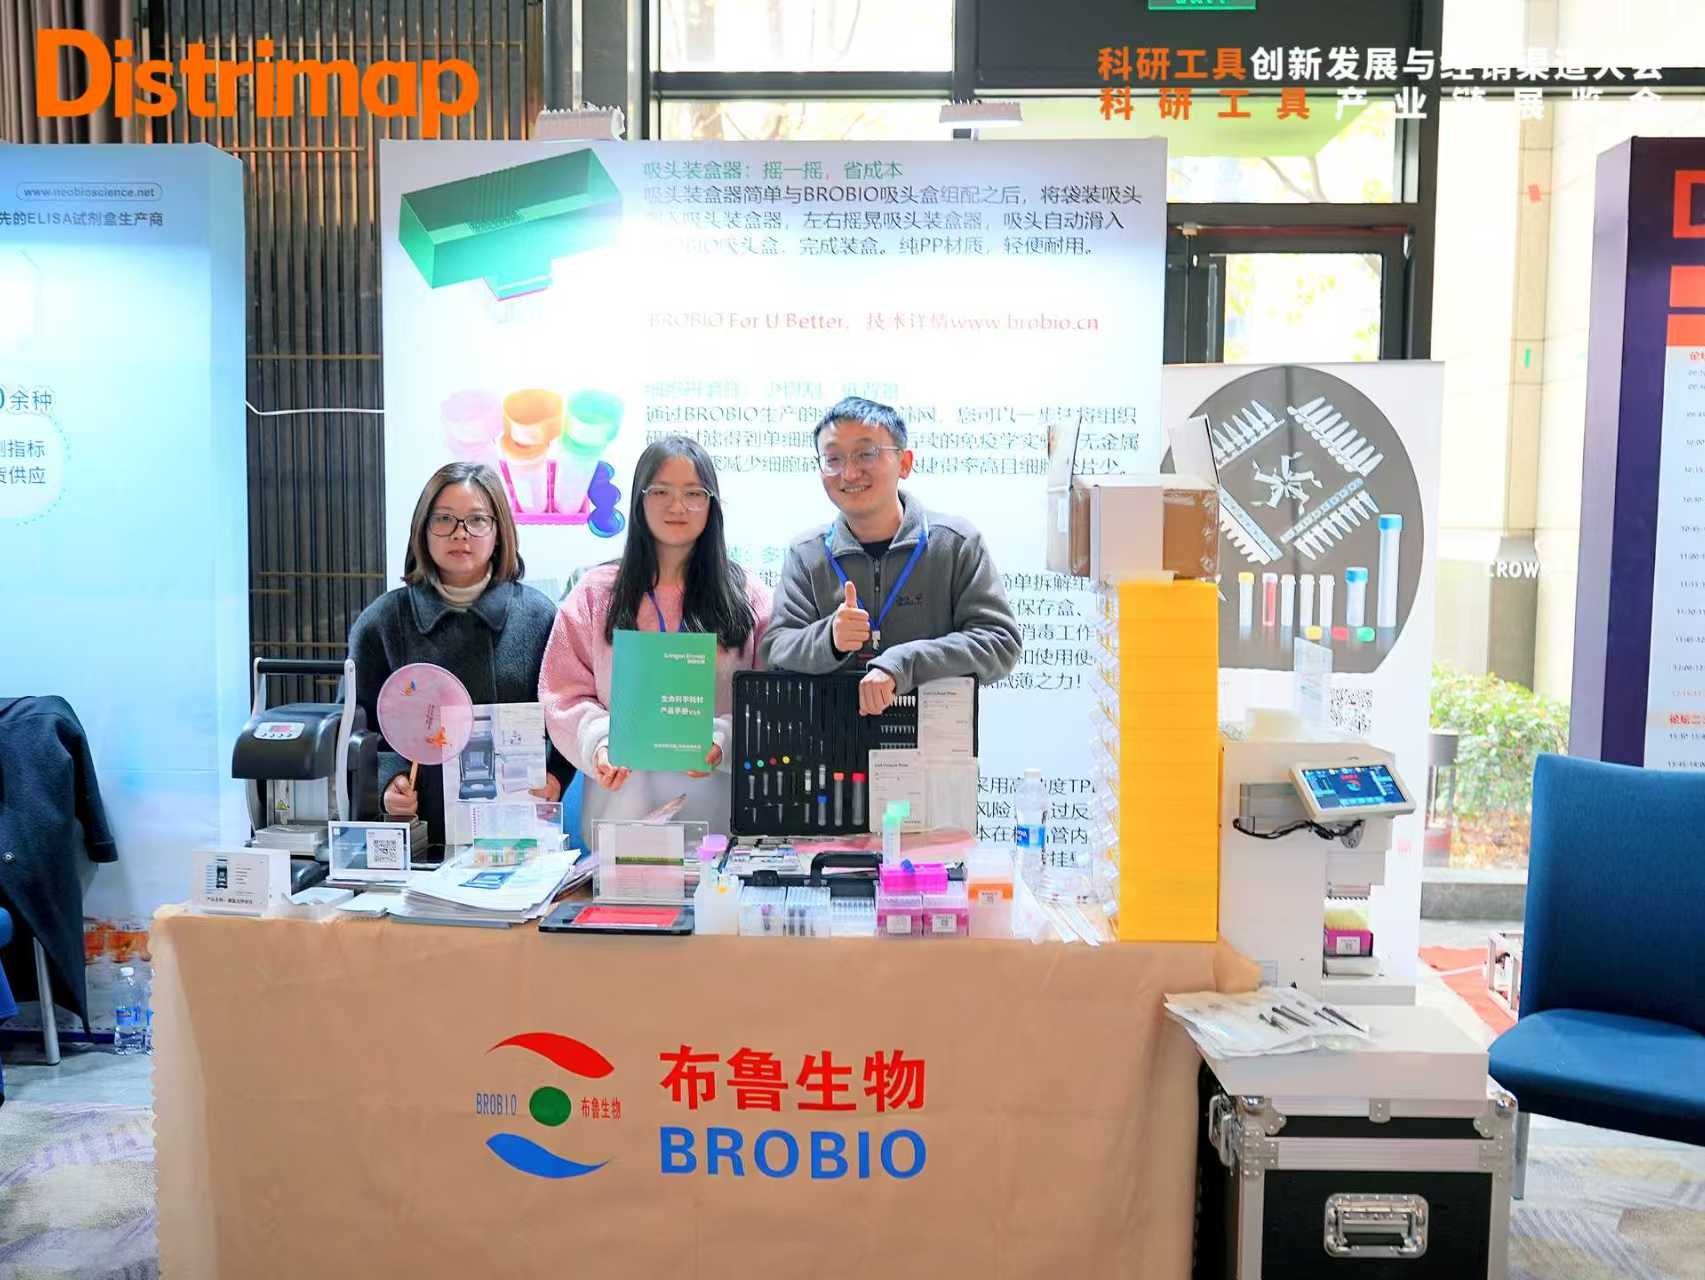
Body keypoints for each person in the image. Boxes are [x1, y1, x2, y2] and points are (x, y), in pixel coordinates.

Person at [540, 436, 772, 845]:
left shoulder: (748, 596)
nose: (677, 506)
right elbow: (562, 693)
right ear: (639, 500)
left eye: (693, 493)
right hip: (621, 814)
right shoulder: (595, 594)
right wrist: (599, 743)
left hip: (722, 820)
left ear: (712, 504)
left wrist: (724, 738)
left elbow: (769, 697)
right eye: (661, 491)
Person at [349, 462, 573, 848]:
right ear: (423, 529)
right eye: (444, 519)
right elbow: (356, 728)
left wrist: (555, 775)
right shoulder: (383, 622)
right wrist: (388, 781)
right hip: (420, 841)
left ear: (499, 531)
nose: (460, 533)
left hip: (517, 839)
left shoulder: (539, 617)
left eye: (477, 520)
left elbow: (565, 712)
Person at [761, 396, 1021, 711]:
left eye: (866, 454)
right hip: (833, 736)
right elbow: (776, 648)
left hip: (933, 735)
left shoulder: (955, 544)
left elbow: (999, 643)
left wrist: (904, 663)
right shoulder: (807, 554)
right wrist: (830, 638)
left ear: (905, 463)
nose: (849, 473)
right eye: (833, 459)